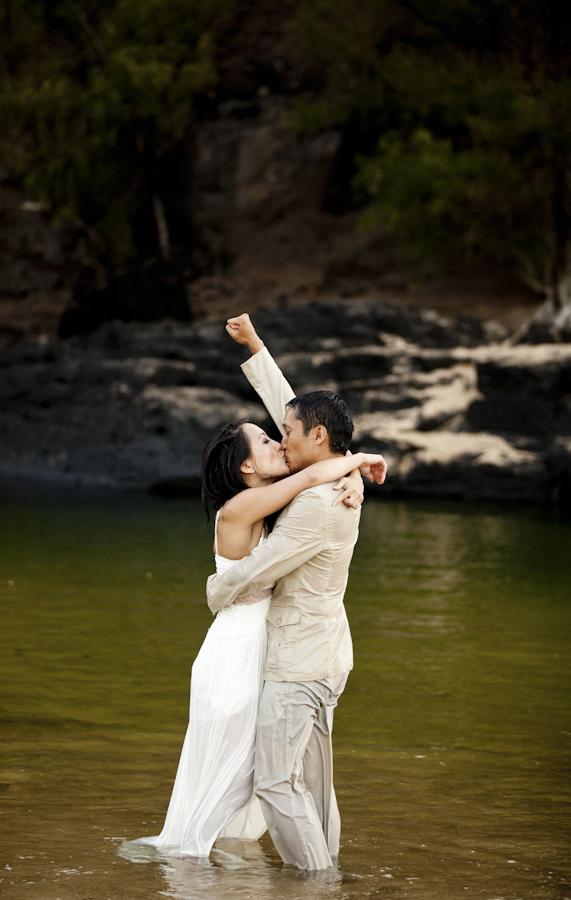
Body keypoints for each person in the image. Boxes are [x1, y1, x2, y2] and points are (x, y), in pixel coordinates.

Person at [128, 397, 387, 858]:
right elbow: (310, 465)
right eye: (268, 439)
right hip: (235, 652)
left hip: (267, 650)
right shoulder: (242, 507)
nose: (279, 441)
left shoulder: (276, 493)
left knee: (263, 772)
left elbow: (313, 447)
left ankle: (225, 858)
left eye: (281, 433)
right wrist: (357, 462)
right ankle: (197, 855)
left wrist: (351, 472)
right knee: (240, 771)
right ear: (247, 463)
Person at [206, 313, 385, 870]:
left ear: (319, 439)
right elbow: (296, 414)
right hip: (325, 654)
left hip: (300, 663)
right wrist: (256, 346)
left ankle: (317, 881)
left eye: (287, 434)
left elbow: (260, 568)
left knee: (278, 784)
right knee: (313, 784)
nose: (281, 440)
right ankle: (324, 870)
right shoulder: (333, 470)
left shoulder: (318, 501)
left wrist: (216, 589)